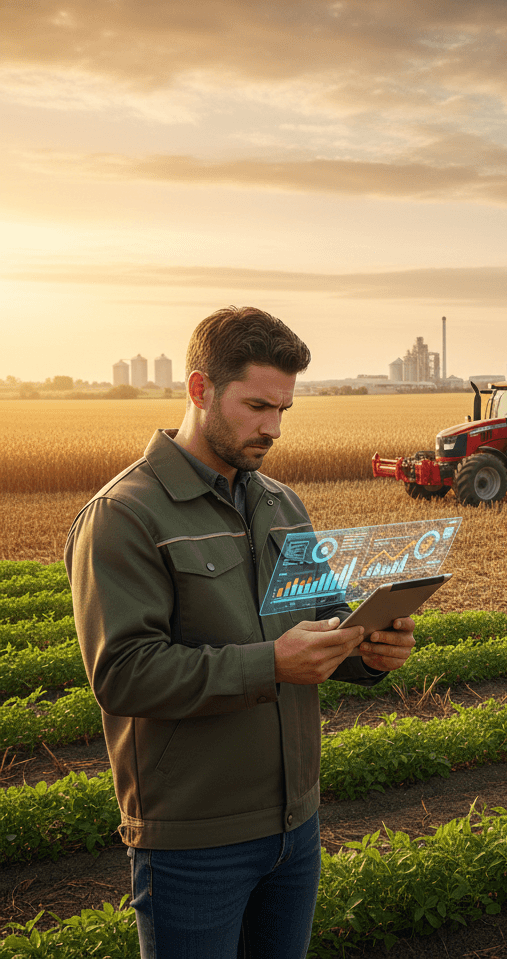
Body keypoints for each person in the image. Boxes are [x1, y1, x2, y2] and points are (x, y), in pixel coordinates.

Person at [65, 306, 416, 959]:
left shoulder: (280, 504)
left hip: (295, 825)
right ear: (199, 390)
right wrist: (270, 665)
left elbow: (322, 620)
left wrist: (367, 651)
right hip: (194, 842)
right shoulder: (125, 515)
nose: (273, 427)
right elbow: (124, 674)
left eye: (283, 409)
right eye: (258, 406)